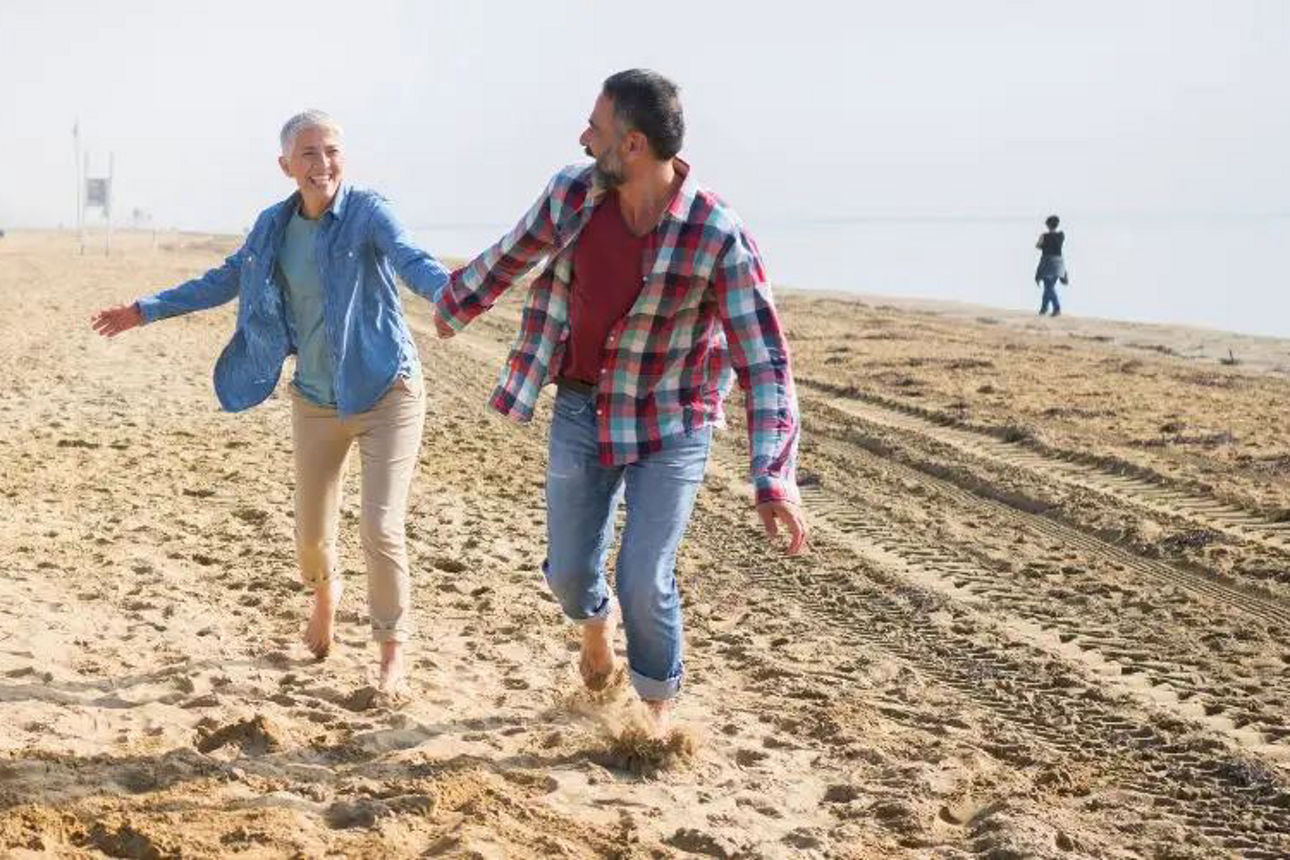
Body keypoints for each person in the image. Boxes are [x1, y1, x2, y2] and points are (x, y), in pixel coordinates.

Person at [433, 69, 807, 732]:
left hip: (672, 421)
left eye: (596, 128)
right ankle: (594, 625)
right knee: (572, 573)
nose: (584, 137)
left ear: (631, 145)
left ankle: (656, 722)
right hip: (583, 407)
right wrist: (460, 300)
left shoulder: (716, 235)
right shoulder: (574, 194)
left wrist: (772, 475)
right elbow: (515, 250)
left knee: (645, 575)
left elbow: (765, 361)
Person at [90, 111, 448, 693]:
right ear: (285, 166)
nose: (321, 163)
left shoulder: (368, 213)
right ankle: (324, 593)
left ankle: (390, 651)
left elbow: (413, 259)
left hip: (388, 391)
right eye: (307, 153)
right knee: (311, 536)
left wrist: (451, 297)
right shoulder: (272, 228)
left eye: (330, 150)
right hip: (315, 399)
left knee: (381, 527)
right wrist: (144, 309)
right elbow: (224, 278)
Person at [1034, 214, 1067, 317]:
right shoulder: (1061, 235)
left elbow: (1038, 246)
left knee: (1048, 287)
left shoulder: (1044, 236)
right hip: (1058, 263)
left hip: (1048, 262)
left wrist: (1043, 243)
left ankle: (1056, 308)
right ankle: (1044, 309)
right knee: (1049, 286)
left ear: (1048, 225)